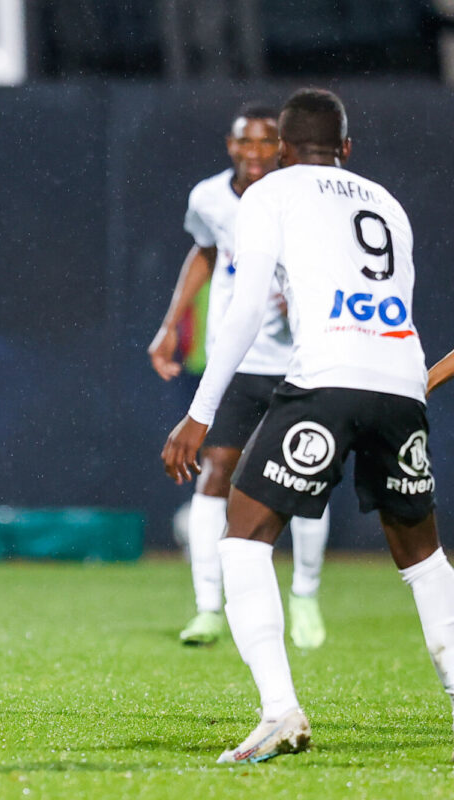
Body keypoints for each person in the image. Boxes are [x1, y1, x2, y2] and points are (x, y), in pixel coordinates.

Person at [162, 88, 454, 763]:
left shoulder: (272, 192)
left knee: (244, 537)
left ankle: (279, 713)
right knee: (423, 558)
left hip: (326, 378)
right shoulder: (387, 203)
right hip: (401, 386)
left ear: (283, 153)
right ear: (346, 149)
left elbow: (241, 311)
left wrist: (200, 411)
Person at [148, 103, 330, 648]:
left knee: (305, 479)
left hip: (300, 360)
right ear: (229, 145)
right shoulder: (208, 198)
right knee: (214, 474)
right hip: (240, 363)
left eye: (265, 142)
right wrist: (171, 324)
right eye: (244, 142)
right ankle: (208, 607)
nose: (254, 152)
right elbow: (204, 252)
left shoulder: (301, 194)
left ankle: (305, 596)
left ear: (282, 146)